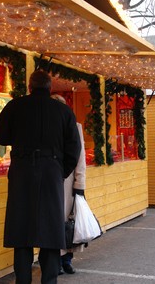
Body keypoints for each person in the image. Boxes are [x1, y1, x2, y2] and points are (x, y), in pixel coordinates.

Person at [0, 70, 81, 284]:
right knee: (50, 232)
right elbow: (74, 148)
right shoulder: (63, 111)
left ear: (30, 87)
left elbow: (0, 136)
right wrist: (61, 171)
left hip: (22, 171)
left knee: (21, 232)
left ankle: (23, 281)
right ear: (50, 88)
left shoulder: (15, 106)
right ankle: (49, 281)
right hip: (51, 172)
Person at [50, 94, 86, 275]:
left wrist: (80, 183)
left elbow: (80, 158)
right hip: (52, 181)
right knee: (52, 221)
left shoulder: (75, 127)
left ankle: (66, 259)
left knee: (68, 222)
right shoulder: (48, 127)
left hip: (68, 182)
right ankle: (54, 261)